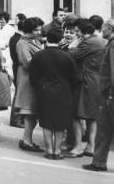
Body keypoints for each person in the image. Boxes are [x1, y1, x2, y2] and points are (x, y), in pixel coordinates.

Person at [29, 27, 79, 160]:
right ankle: (57, 151)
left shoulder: (38, 55)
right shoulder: (67, 56)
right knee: (60, 123)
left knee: (46, 122)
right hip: (63, 93)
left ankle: (49, 150)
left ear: (47, 38)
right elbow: (75, 78)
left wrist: (40, 86)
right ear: (60, 39)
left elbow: (32, 77)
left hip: (44, 92)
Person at [68, 18, 107, 157]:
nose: (75, 32)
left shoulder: (88, 42)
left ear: (83, 31)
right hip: (95, 80)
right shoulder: (101, 41)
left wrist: (73, 43)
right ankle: (91, 146)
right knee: (92, 116)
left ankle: (78, 147)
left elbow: (71, 55)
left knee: (76, 115)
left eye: (77, 30)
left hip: (85, 81)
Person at [83, 18, 114, 172]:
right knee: (103, 130)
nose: (102, 31)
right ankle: (98, 162)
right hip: (107, 95)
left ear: (110, 28)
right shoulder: (110, 43)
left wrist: (111, 94)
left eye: (104, 28)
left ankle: (99, 162)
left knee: (104, 129)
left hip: (111, 96)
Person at [14, 17, 45, 152]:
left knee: (32, 112)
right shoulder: (22, 43)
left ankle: (27, 139)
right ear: (29, 30)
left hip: (34, 78)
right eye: (37, 29)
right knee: (30, 111)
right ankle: (27, 140)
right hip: (28, 79)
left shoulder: (34, 40)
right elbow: (28, 63)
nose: (39, 32)